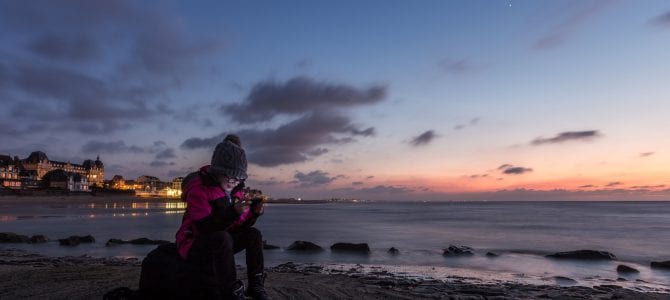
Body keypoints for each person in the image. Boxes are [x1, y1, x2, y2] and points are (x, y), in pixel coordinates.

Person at [176, 134, 270, 299]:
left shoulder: (236, 190)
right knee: (222, 237)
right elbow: (204, 227)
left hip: (221, 242)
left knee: (254, 234)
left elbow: (238, 225)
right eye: (229, 175)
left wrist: (253, 213)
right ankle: (230, 291)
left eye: (238, 177)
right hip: (194, 243)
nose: (234, 181)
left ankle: (256, 285)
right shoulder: (199, 190)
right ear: (217, 171)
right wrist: (233, 212)